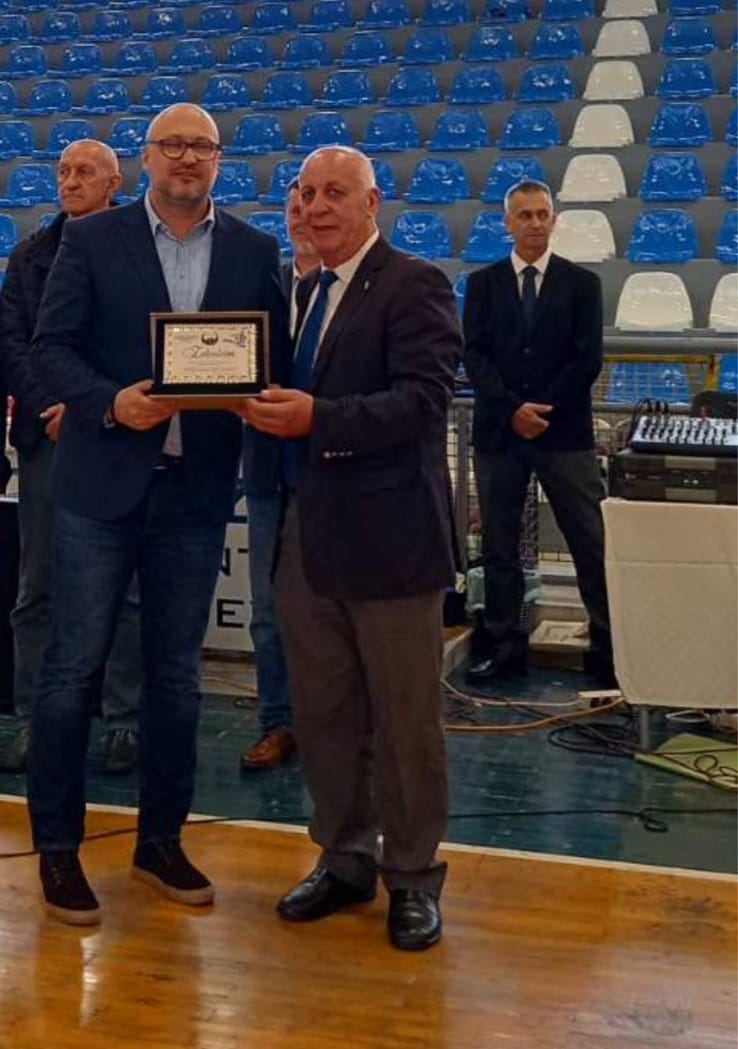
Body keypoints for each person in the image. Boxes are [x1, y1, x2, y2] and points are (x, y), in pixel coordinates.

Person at [27, 103, 290, 926]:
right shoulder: (92, 239)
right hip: (100, 487)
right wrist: (113, 403)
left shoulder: (254, 251)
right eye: (172, 144)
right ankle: (58, 846)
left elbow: (271, 358)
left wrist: (255, 393)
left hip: (195, 492)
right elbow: (49, 348)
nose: (186, 157)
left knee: (177, 676)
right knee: (73, 670)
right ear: (147, 158)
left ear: (218, 160)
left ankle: (161, 841)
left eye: (200, 146)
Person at [242, 146, 462, 951]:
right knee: (324, 713)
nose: (316, 206)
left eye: (335, 192)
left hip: (391, 540)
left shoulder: (415, 283)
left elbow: (423, 401)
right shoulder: (299, 293)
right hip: (305, 533)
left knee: (405, 723)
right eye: (306, 193)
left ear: (374, 203)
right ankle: (343, 858)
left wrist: (319, 419)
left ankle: (413, 876)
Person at [0, 140, 142, 776]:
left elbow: (139, 342)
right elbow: (13, 345)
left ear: (114, 183)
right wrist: (54, 405)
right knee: (38, 588)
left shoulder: (140, 250)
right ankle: (36, 719)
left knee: (126, 587)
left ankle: (123, 719)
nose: (70, 181)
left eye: (85, 172)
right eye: (63, 171)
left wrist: (89, 408)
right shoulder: (30, 255)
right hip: (48, 437)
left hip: (116, 434)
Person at [463, 179, 614, 687]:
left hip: (564, 433)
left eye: (541, 214)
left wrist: (540, 409)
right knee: (500, 547)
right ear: (507, 222)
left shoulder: (582, 284)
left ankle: (609, 648)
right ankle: (504, 647)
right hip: (499, 435)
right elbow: (474, 356)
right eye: (524, 215)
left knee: (590, 542)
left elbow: (587, 359)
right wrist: (513, 411)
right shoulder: (483, 285)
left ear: (554, 219)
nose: (534, 223)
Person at [239, 181, 319, 771]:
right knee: (268, 611)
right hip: (268, 471)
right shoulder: (263, 287)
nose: (303, 217)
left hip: (336, 474)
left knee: (336, 610)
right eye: (293, 208)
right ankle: (278, 721)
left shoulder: (354, 292)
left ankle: (339, 724)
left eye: (312, 206)